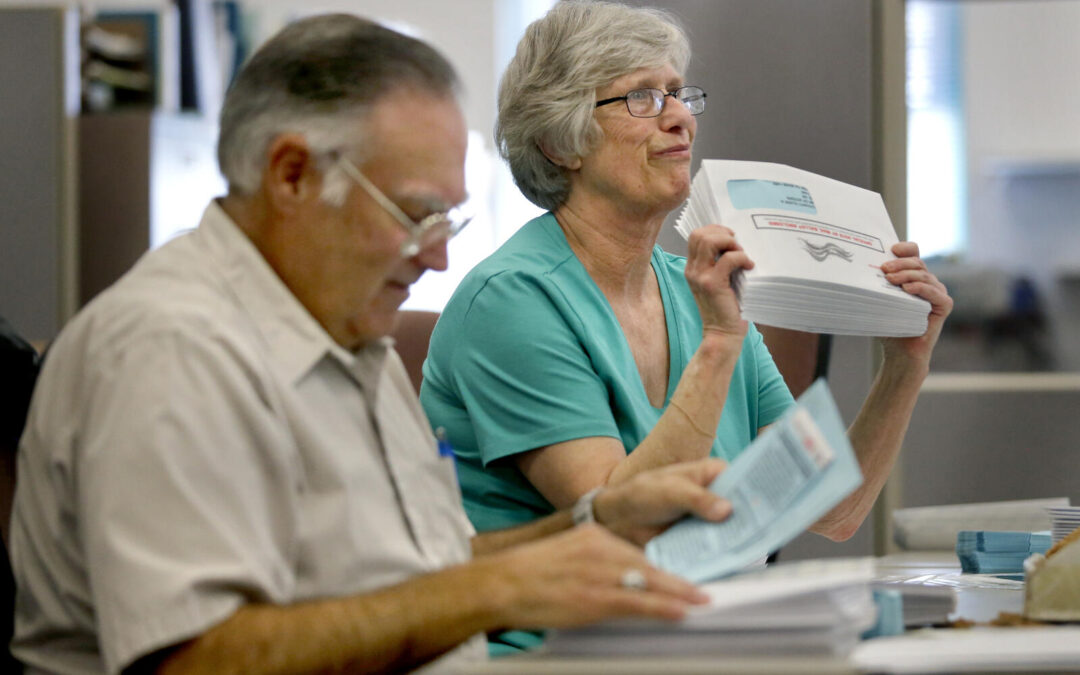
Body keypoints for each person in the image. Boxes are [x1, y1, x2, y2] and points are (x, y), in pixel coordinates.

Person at [8, 14, 738, 675]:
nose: (438, 260)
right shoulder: (172, 348)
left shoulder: (350, 336)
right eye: (416, 214)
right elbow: (197, 657)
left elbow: (420, 574)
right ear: (292, 176)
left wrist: (593, 524)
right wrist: (493, 588)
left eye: (447, 220)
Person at [420, 0, 953, 653]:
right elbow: (625, 525)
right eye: (640, 98)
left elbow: (832, 510)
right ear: (560, 142)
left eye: (677, 93)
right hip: (554, 653)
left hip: (694, 640)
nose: (680, 118)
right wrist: (721, 343)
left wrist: (905, 364)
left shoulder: (690, 288)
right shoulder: (512, 300)